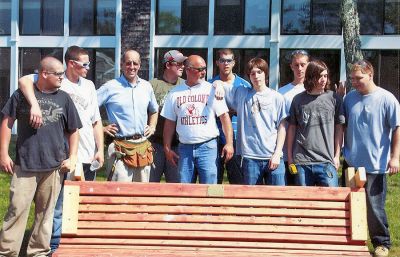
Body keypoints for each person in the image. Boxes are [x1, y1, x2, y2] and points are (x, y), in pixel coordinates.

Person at [17, 46, 104, 254]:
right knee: (56, 205)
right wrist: (35, 105)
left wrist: (100, 149)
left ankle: (80, 244)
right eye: (85, 64)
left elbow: (96, 120)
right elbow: (23, 81)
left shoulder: (90, 86)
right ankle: (54, 246)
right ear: (71, 64)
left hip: (86, 153)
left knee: (82, 203)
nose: (88, 68)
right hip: (61, 155)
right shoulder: (56, 79)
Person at [0, 57, 81, 257]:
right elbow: (7, 123)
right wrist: (3, 153)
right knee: (16, 211)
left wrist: (72, 157)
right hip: (25, 165)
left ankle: (38, 252)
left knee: (45, 214)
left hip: (53, 166)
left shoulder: (64, 98)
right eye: (59, 74)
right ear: (45, 74)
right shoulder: (21, 95)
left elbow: (73, 130)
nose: (63, 77)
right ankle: (7, 252)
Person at [343, 60, 400, 257]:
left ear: (370, 75)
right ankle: (351, 240)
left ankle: (381, 243)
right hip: (351, 162)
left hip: (376, 164)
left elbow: (397, 128)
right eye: (352, 79)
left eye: (358, 78)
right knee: (350, 204)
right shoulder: (349, 98)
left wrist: (395, 158)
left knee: (375, 207)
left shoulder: (387, 98)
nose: (355, 82)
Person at [162, 55, 234, 184]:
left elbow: (224, 117)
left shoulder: (212, 89)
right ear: (188, 70)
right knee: (184, 189)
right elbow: (169, 123)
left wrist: (229, 143)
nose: (204, 72)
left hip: (208, 146)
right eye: (199, 69)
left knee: (209, 188)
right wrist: (167, 147)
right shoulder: (175, 93)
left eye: (204, 69)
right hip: (185, 148)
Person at [216, 57, 287, 185]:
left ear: (265, 73)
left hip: (273, 156)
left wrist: (277, 153)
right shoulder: (242, 93)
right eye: (252, 73)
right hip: (250, 158)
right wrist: (218, 86)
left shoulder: (277, 98)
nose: (256, 76)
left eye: (259, 72)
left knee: (277, 199)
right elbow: (219, 83)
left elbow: (282, 127)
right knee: (252, 201)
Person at [97, 49, 158, 182]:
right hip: (120, 148)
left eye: (135, 63)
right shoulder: (110, 87)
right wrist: (101, 128)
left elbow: (154, 110)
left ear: (139, 65)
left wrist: (152, 126)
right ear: (122, 64)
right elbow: (89, 108)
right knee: (118, 195)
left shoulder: (146, 87)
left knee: (141, 195)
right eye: (128, 63)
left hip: (143, 148)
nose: (132, 67)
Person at [287, 60, 344, 187]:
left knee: (331, 202)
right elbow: (291, 128)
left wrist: (336, 156)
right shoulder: (298, 100)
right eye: (319, 76)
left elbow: (339, 129)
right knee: (303, 203)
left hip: (327, 161)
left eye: (325, 75)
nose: (323, 79)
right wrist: (290, 157)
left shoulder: (334, 99)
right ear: (311, 77)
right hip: (302, 161)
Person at [209, 49, 251, 184]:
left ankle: (236, 205)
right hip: (215, 138)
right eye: (222, 60)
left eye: (229, 61)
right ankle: (214, 205)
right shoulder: (210, 84)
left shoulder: (244, 85)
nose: (225, 64)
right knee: (215, 180)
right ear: (217, 63)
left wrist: (235, 110)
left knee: (238, 181)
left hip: (239, 139)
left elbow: (250, 112)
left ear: (234, 63)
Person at [149, 50, 187, 183]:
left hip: (178, 145)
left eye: (184, 63)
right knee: (150, 186)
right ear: (168, 65)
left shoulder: (185, 86)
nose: (183, 66)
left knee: (176, 188)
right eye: (179, 63)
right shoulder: (152, 85)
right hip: (155, 144)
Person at [278, 50, 309, 185]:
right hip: (287, 155)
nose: (300, 68)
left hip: (309, 154)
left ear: (308, 65)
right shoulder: (282, 93)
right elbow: (281, 123)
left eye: (303, 64)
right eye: (296, 65)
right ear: (291, 66)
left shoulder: (316, 91)